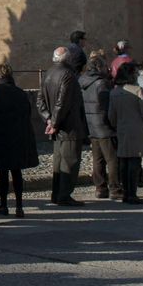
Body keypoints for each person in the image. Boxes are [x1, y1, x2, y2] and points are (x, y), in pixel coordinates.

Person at [0, 62, 38, 217]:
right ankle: (19, 206)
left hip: (0, 137)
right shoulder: (20, 93)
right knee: (17, 171)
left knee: (3, 172)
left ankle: (3, 205)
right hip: (19, 136)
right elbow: (27, 113)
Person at [37, 46, 88, 206]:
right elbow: (63, 102)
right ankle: (64, 195)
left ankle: (57, 193)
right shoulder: (68, 75)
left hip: (57, 126)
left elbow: (40, 101)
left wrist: (48, 120)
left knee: (59, 162)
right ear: (68, 59)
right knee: (70, 161)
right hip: (68, 126)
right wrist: (55, 122)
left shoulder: (49, 73)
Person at [105, 63, 143, 205]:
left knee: (124, 161)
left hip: (122, 129)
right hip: (137, 128)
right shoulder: (137, 90)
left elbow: (111, 115)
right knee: (134, 161)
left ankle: (126, 192)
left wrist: (116, 125)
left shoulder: (114, 92)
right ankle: (132, 194)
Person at [80, 57, 119, 200]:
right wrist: (112, 123)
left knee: (98, 159)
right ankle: (115, 188)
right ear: (99, 67)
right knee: (112, 159)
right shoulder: (101, 83)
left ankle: (100, 187)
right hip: (104, 125)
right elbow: (106, 106)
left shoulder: (82, 82)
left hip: (91, 124)